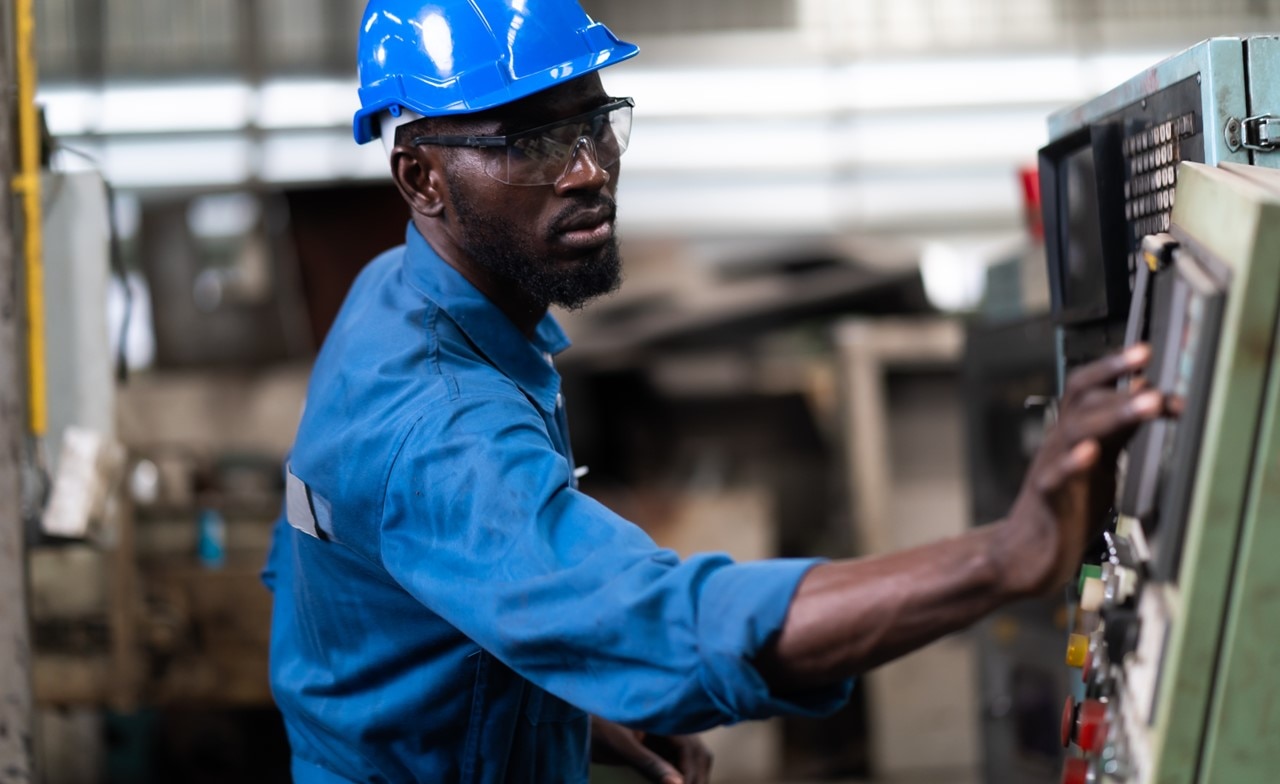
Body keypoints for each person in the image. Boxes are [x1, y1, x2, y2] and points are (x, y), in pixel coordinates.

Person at [262, 1, 1165, 782]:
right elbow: (661, 626)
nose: (589, 169)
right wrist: (1005, 556)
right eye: (531, 143)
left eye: (595, 122)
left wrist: (564, 709)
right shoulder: (439, 423)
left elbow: (373, 594)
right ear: (421, 179)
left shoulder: (397, 293)